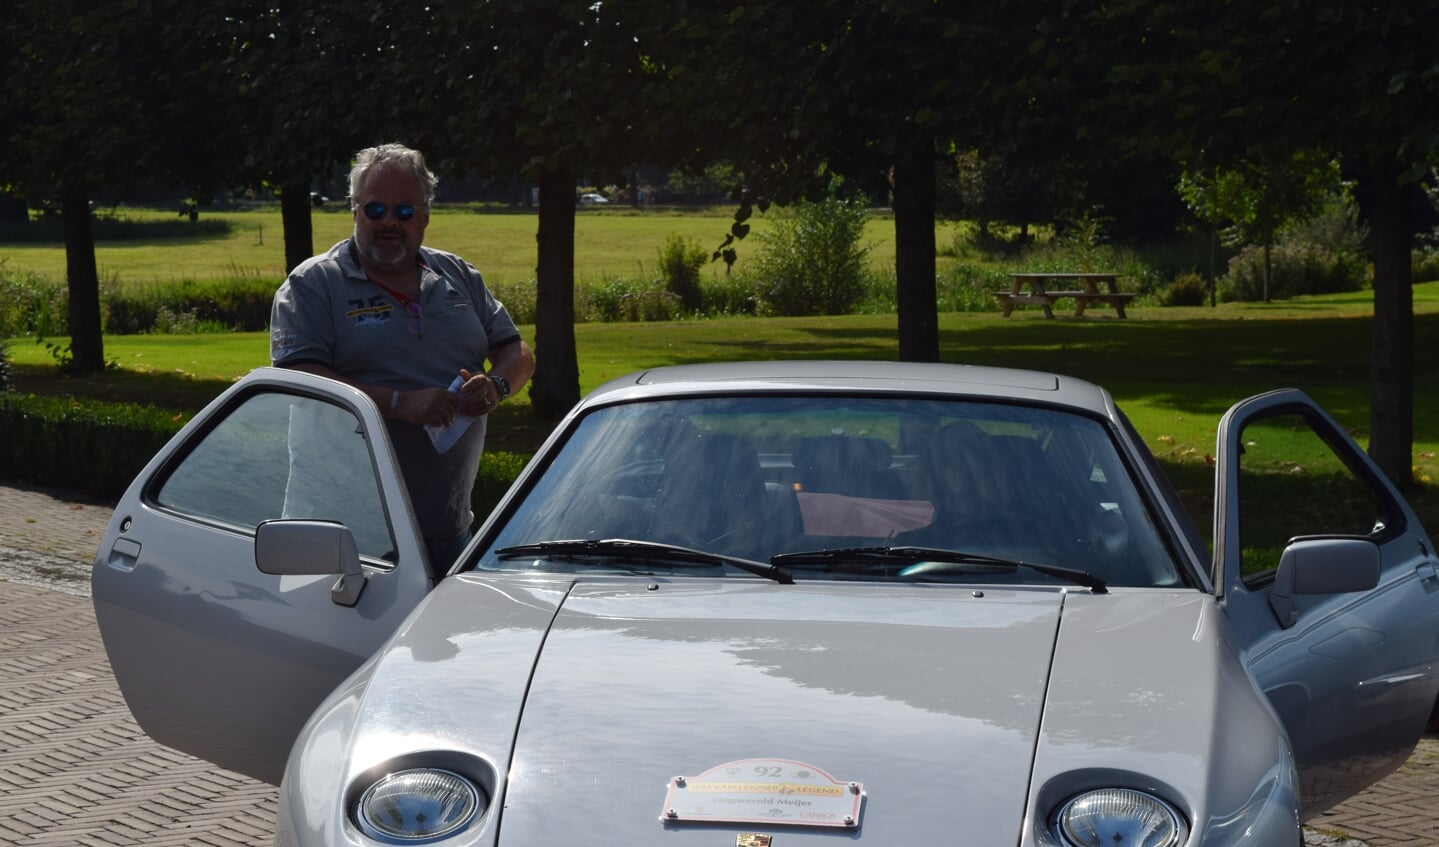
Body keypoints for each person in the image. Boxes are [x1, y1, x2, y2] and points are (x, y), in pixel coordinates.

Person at [269, 143, 535, 574]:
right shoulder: (313, 284)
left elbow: (516, 350)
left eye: (405, 211)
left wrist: (497, 386)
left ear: (426, 215)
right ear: (354, 211)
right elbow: (301, 380)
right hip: (343, 537)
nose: (390, 222)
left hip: (448, 533)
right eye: (375, 210)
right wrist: (396, 403)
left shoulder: (458, 277)